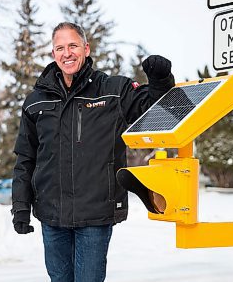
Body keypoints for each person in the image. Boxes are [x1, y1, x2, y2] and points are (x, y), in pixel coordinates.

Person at [11, 22, 174, 282]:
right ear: (53, 54)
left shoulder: (113, 91)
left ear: (86, 49)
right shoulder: (36, 101)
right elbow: (26, 158)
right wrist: (20, 206)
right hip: (51, 215)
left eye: (73, 45)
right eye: (60, 47)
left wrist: (161, 80)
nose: (67, 53)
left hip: (95, 214)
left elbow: (155, 110)